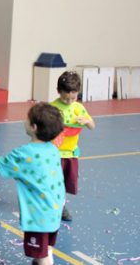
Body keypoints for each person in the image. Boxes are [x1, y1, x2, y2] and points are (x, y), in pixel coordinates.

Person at [0, 103, 66, 265]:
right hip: (54, 209)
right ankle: (45, 257)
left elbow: (3, 164)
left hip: (39, 216)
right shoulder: (53, 149)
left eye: (27, 119)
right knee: (46, 245)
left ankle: (45, 260)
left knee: (41, 254)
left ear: (33, 127)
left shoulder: (24, 153)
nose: (24, 121)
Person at [50, 71, 96, 221]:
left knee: (64, 182)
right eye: (65, 97)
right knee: (52, 181)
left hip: (71, 154)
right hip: (54, 153)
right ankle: (51, 205)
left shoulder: (78, 108)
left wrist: (87, 121)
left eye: (73, 98)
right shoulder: (52, 108)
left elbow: (92, 126)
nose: (69, 101)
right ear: (58, 91)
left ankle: (61, 205)